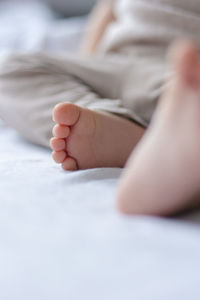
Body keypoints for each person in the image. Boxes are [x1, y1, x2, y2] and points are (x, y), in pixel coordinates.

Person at [0, 0, 200, 215]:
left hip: (178, 76)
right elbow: (107, 10)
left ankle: (171, 145)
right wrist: (87, 68)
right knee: (9, 69)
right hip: (111, 67)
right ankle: (119, 128)